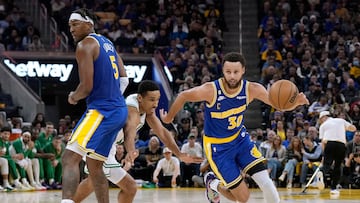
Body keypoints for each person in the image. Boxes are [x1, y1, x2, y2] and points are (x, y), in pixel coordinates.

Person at [160, 52, 309, 203]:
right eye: (228, 72)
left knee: (266, 182)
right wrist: (169, 117)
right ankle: (212, 182)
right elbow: (184, 95)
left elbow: (277, 104)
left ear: (243, 70)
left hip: (240, 140)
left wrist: (297, 102)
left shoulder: (252, 89)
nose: (232, 76)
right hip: (218, 148)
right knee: (242, 198)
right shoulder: (211, 90)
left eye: (236, 72)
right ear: (223, 71)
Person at [72, 80, 202, 203]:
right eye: (152, 100)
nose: (156, 104)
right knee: (130, 187)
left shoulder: (147, 110)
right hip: (98, 142)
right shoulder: (132, 108)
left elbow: (162, 132)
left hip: (105, 143)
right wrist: (131, 150)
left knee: (92, 181)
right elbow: (130, 129)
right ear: (140, 98)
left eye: (157, 99)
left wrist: (179, 154)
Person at [61, 8, 129, 203]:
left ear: (89, 23)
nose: (71, 30)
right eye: (69, 26)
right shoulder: (108, 43)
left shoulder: (84, 46)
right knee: (95, 166)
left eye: (75, 24)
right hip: (118, 111)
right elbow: (124, 79)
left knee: (69, 158)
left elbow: (86, 87)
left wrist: (73, 97)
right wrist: (114, 97)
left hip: (101, 111)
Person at [318, 110, 357, 195]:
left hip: (329, 144)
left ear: (323, 117)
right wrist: (346, 127)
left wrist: (324, 155)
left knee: (327, 164)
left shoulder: (323, 125)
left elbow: (323, 142)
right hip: (341, 144)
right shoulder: (340, 120)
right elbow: (353, 128)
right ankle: (333, 188)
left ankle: (322, 172)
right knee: (337, 166)